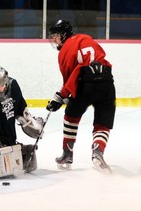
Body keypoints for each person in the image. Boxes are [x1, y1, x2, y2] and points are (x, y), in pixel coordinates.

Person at [46, 19, 116, 174]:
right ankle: (98, 151)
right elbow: (99, 58)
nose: (54, 39)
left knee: (71, 116)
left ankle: (67, 154)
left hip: (86, 84)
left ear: (64, 35)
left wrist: (60, 97)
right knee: (103, 122)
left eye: (56, 36)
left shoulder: (64, 51)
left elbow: (70, 80)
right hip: (107, 83)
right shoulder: (86, 38)